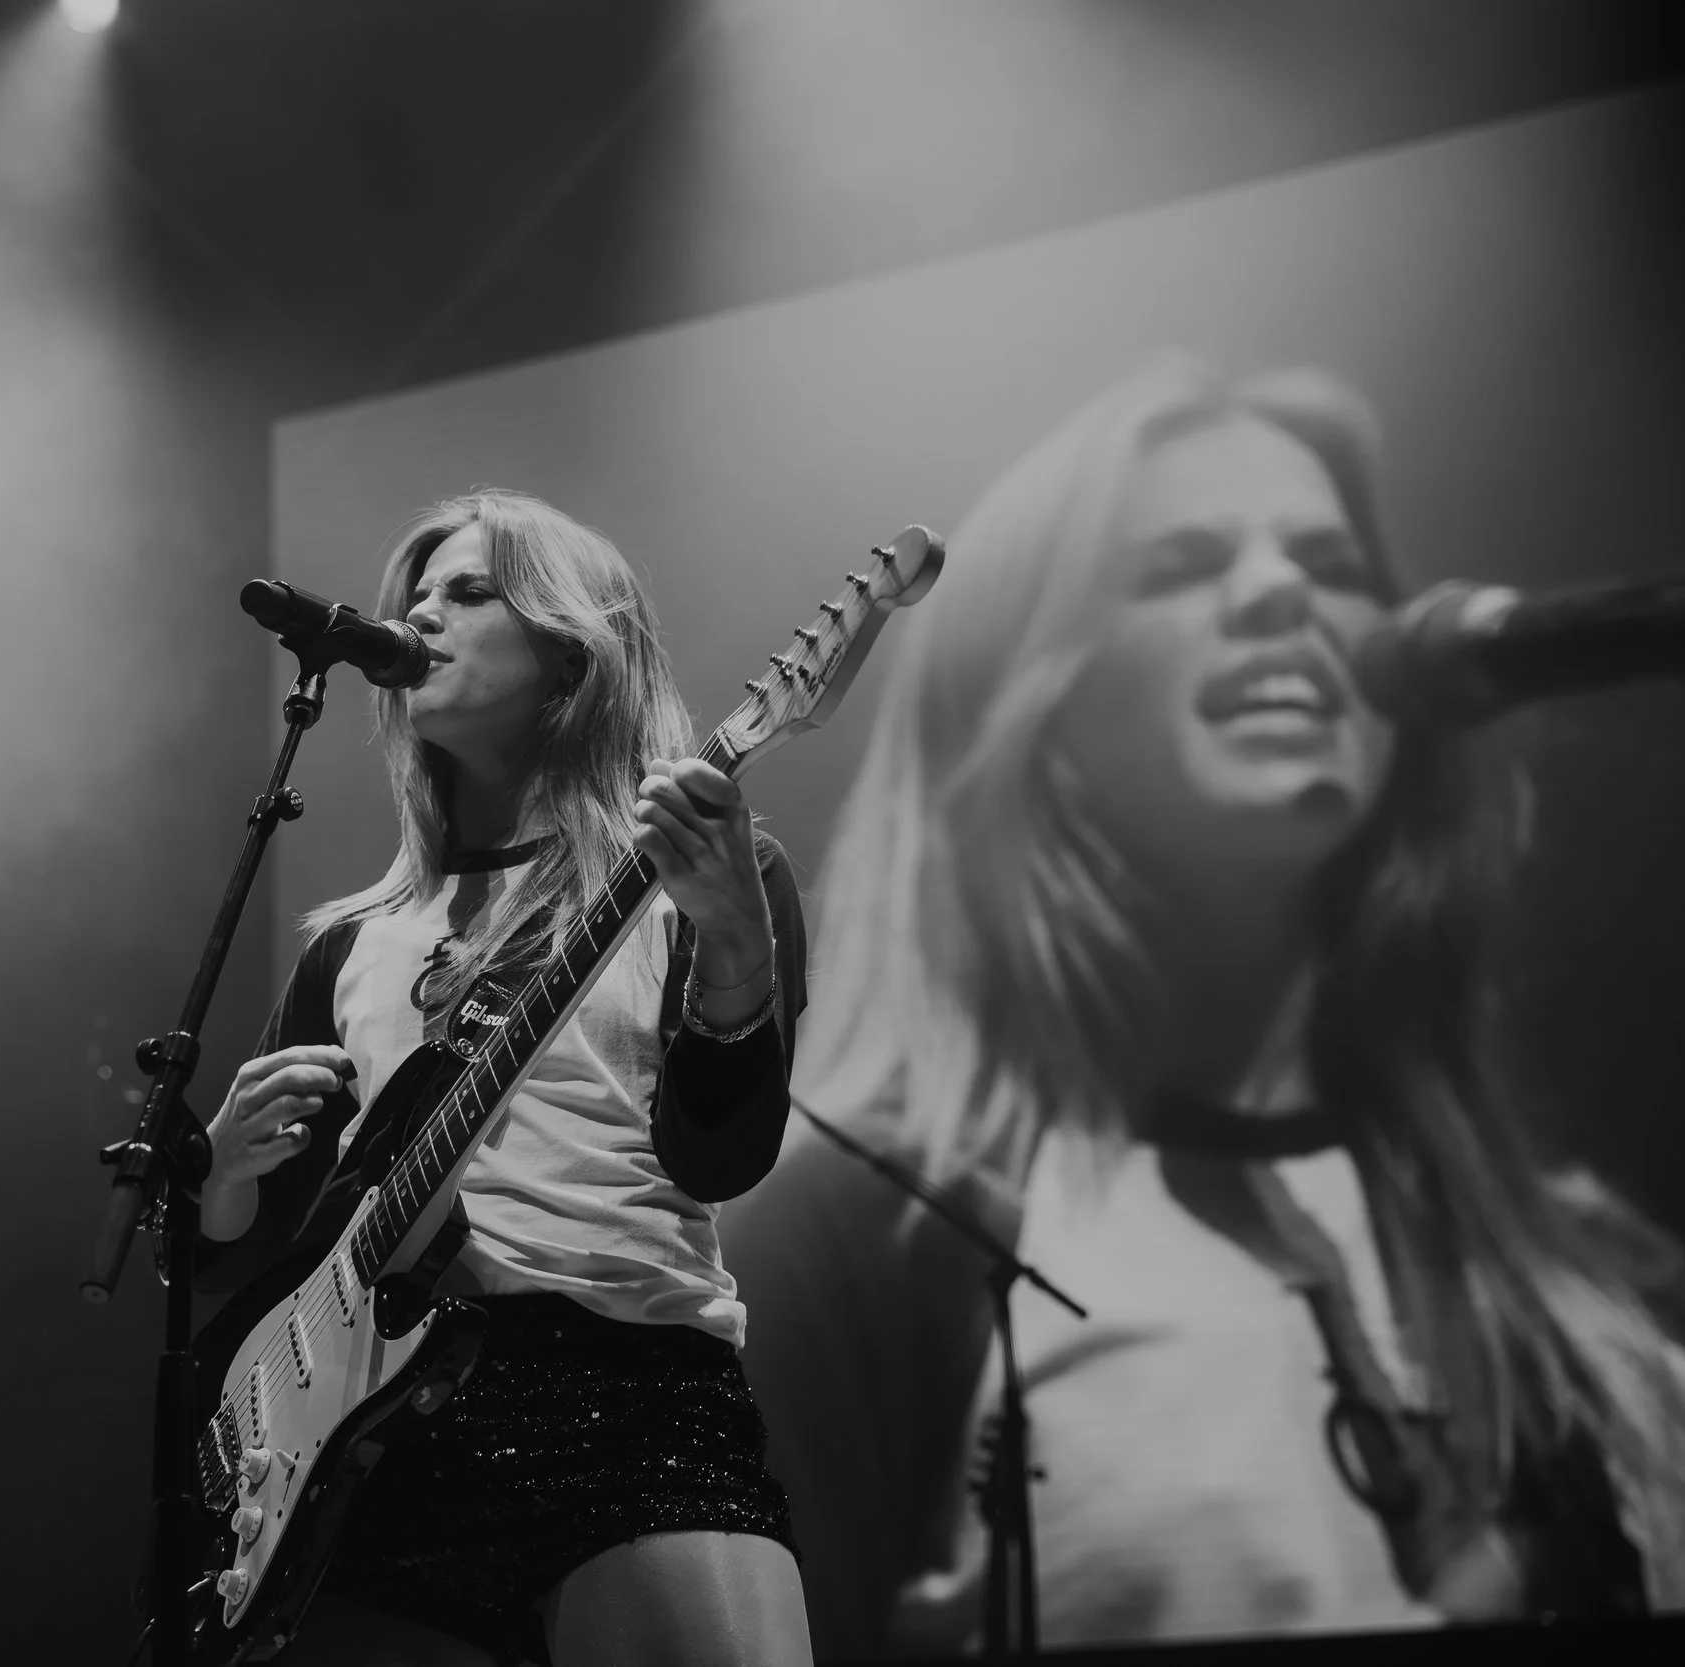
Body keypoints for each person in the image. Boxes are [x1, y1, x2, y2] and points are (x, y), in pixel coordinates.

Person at [721, 356, 1685, 1658]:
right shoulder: (847, 1238)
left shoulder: (1574, 1254)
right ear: (1020, 701)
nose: (1286, 592)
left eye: (1331, 563)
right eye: (1182, 565)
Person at [193, 488, 815, 1667]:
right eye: (415, 595)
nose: (422, 613)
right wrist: (222, 1170)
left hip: (622, 1399)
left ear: (570, 648)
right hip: (364, 1434)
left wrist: (733, 939)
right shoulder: (352, 940)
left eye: (469, 591)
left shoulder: (703, 876)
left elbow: (719, 1155)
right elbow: (266, 1248)